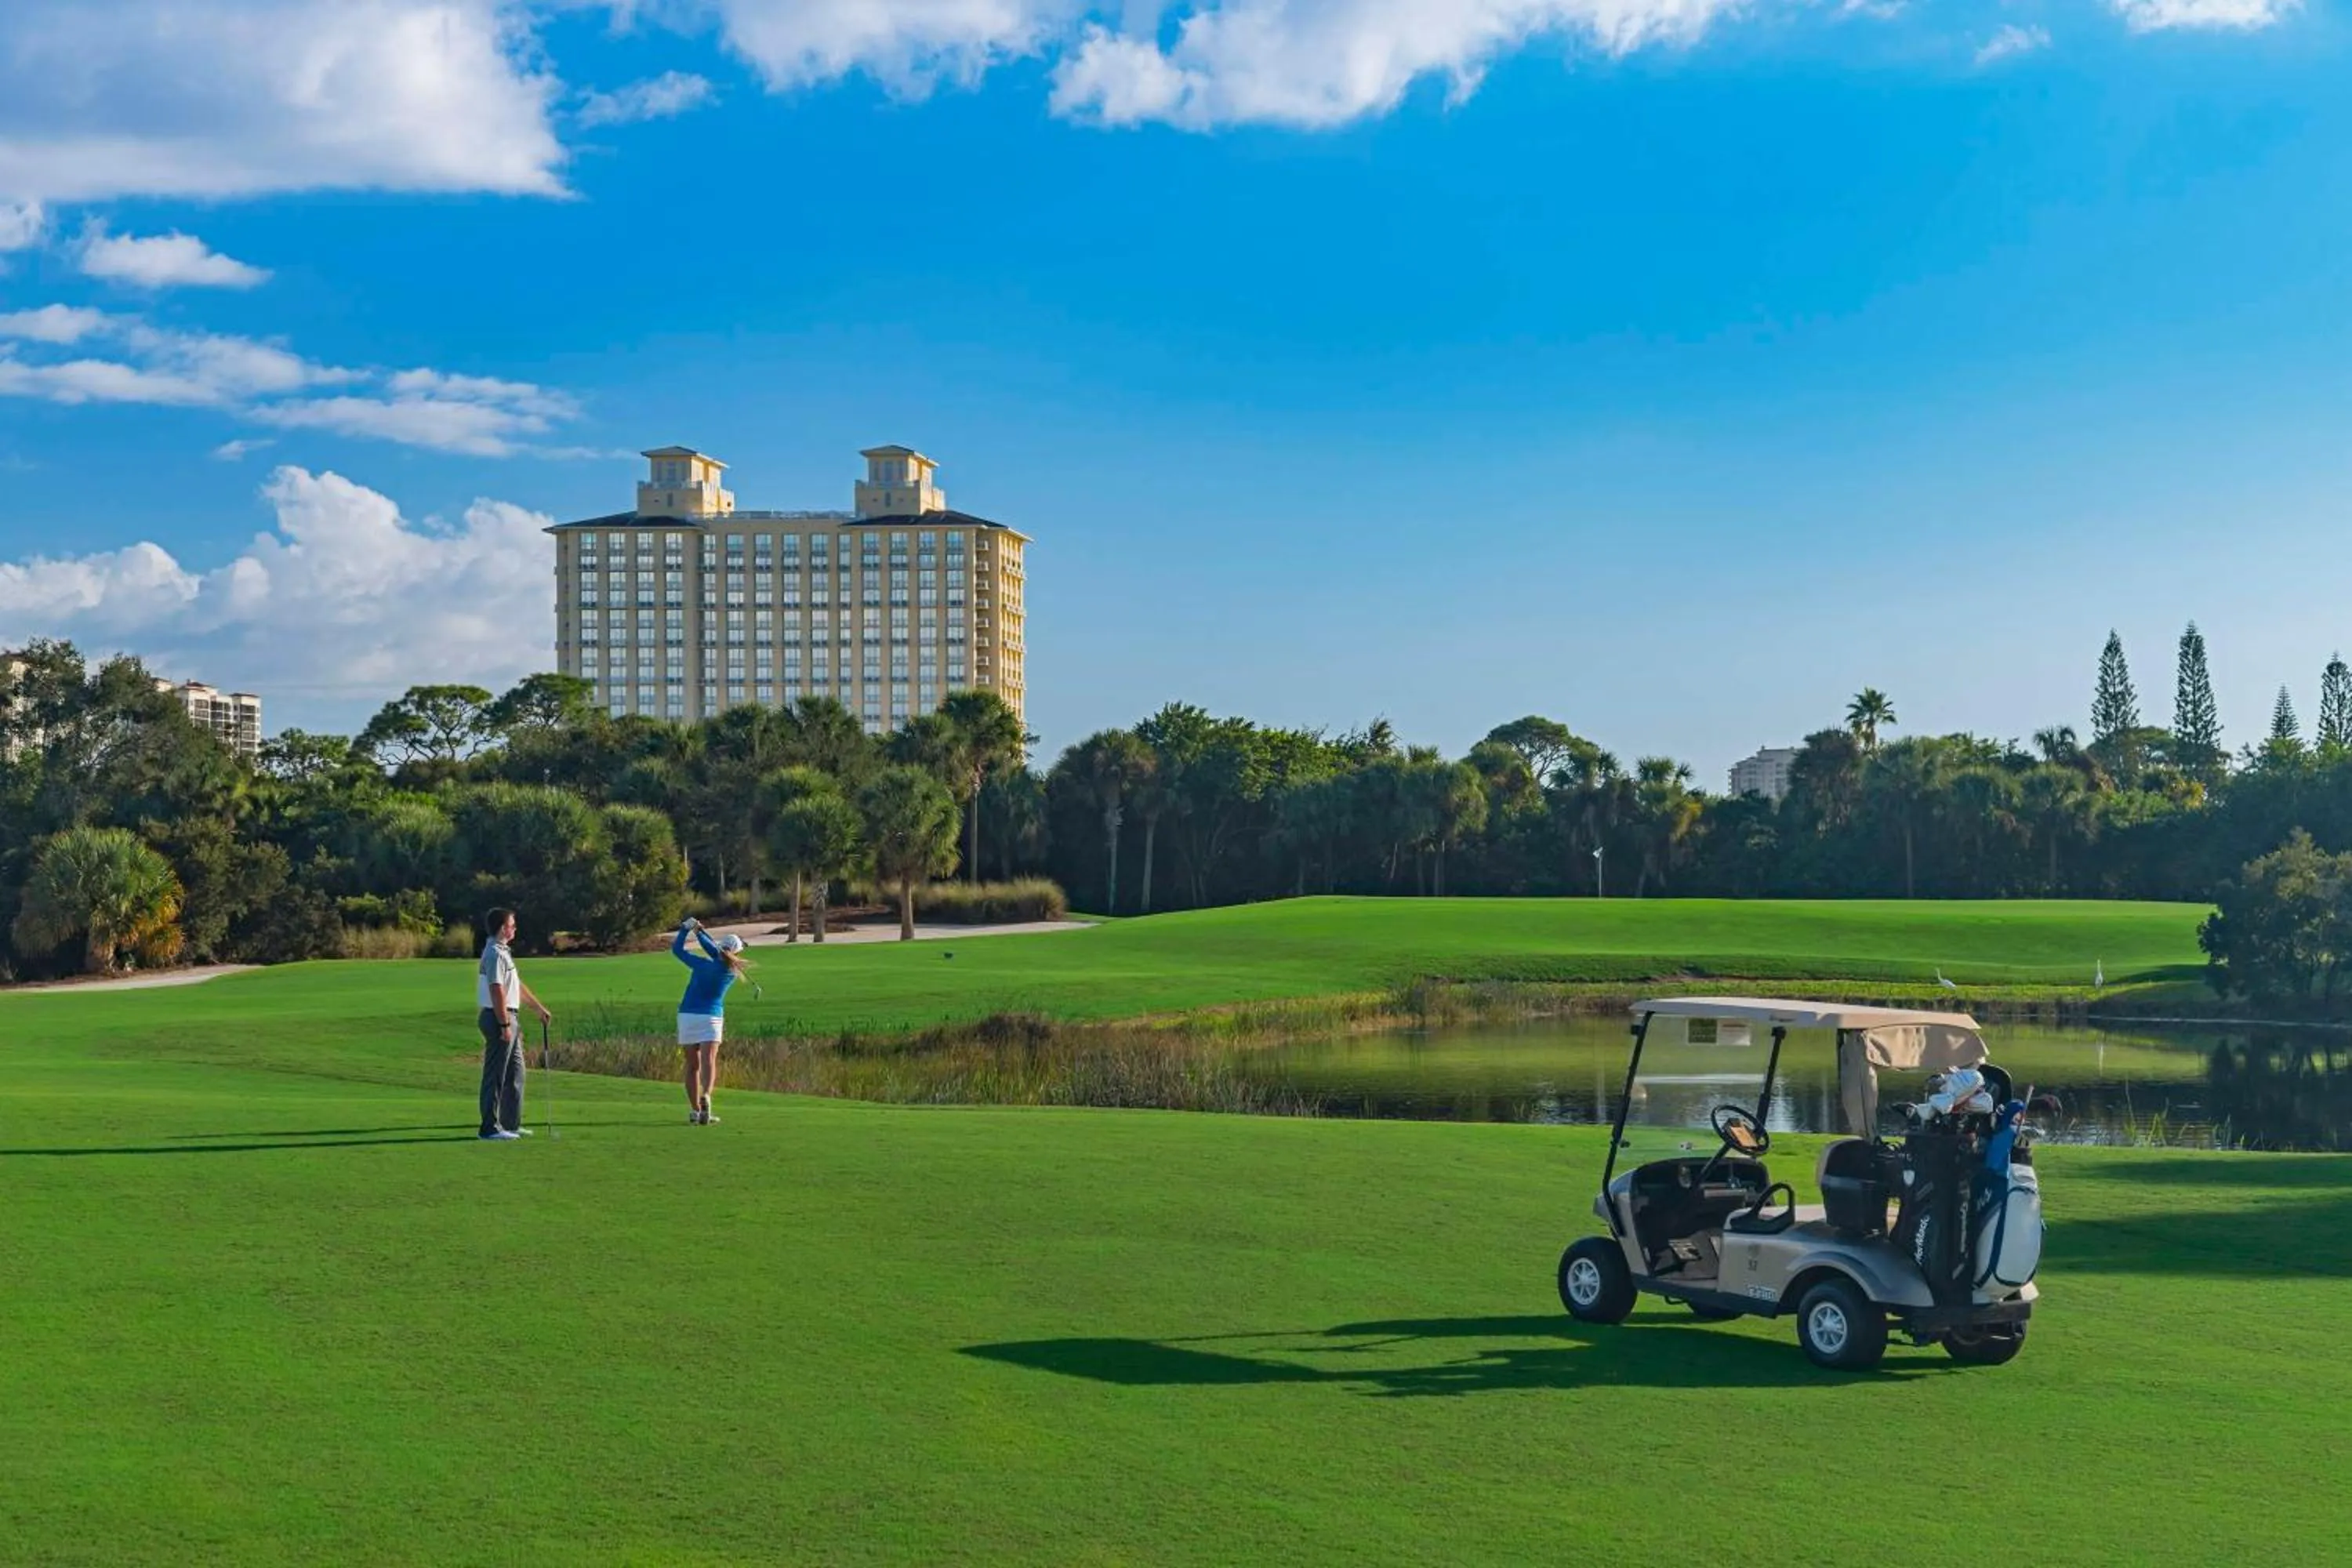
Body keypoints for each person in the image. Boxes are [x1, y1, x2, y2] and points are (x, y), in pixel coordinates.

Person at [477, 907, 553, 1142]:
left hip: (510, 1016)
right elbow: (496, 990)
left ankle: (511, 1123)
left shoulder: (503, 953)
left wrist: (537, 1008)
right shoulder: (494, 954)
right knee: (496, 1075)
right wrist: (504, 1025)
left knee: (516, 1073)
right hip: (498, 1017)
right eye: (512, 924)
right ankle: (489, 1128)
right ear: (502, 928)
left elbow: (515, 986)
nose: (515, 928)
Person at [673, 916, 747, 1124]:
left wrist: (687, 930)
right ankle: (706, 1094)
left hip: (688, 1015)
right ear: (736, 953)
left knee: (692, 1066)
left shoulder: (702, 965)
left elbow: (677, 951)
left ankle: (696, 1110)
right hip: (711, 1018)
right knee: (708, 1061)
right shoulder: (733, 970)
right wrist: (699, 933)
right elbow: (717, 954)